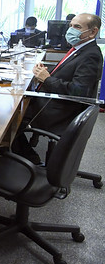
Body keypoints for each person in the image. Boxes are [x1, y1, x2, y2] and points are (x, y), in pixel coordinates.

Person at [11, 13, 103, 164]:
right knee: (16, 107)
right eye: (71, 26)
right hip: (55, 102)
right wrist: (45, 72)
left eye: (77, 27)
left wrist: (47, 79)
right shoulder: (79, 49)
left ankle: (30, 160)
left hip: (61, 111)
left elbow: (78, 91)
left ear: (93, 32)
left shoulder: (91, 55)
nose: (71, 30)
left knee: (10, 118)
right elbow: (68, 73)